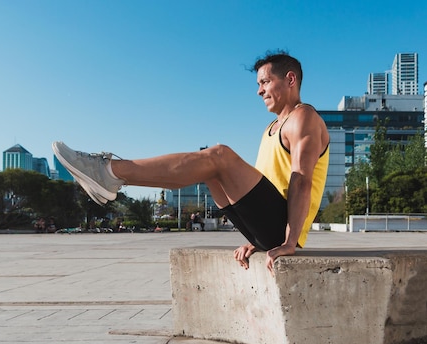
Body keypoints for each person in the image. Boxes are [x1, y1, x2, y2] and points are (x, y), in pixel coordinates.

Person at [52, 51, 329, 272]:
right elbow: (264, 189)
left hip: (283, 227)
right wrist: (254, 240)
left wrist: (288, 242)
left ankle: (110, 171)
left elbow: (301, 182)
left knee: (219, 155)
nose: (259, 91)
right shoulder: (271, 128)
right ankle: (114, 178)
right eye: (258, 84)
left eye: (265, 82)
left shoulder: (303, 118)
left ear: (290, 79)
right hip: (269, 226)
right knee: (212, 169)